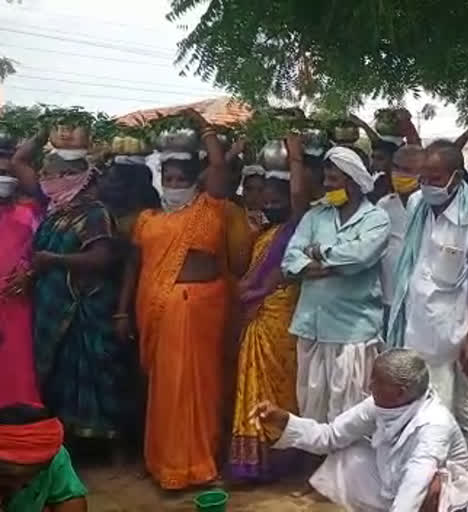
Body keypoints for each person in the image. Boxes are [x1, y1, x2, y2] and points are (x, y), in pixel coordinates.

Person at [117, 109, 233, 489]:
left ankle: (199, 466)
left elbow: (218, 168)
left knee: (200, 388)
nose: (175, 184)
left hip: (200, 313)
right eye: (169, 178)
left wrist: (205, 128)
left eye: (183, 179)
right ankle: (165, 465)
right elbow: (134, 268)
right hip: (159, 313)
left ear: (195, 183)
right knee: (166, 390)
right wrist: (122, 312)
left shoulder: (207, 209)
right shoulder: (148, 220)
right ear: (160, 179)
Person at [11, 129, 133, 446]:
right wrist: (46, 130)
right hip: (52, 302)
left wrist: (54, 260)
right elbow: (19, 160)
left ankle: (95, 445)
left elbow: (101, 259)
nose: (44, 179)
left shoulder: (94, 213)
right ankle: (63, 439)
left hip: (83, 306)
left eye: (50, 174)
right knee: (57, 377)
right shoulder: (55, 210)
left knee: (86, 375)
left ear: (70, 177)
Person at [254, 349, 468, 512]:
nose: (369, 386)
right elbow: (332, 436)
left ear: (400, 392)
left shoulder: (434, 425)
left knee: (433, 485)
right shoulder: (380, 403)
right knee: (349, 454)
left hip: (441, 501)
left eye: (377, 381)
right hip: (397, 484)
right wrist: (284, 420)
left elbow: (414, 488)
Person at [388, 141, 468, 470]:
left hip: (456, 336)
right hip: (415, 329)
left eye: (435, 178)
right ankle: (431, 481)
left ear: (456, 177)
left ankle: (466, 477)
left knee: (464, 412)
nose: (427, 185)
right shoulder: (418, 204)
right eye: (423, 178)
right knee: (422, 415)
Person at [282, 145, 390, 423]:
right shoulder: (315, 216)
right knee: (311, 409)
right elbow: (291, 260)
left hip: (352, 330)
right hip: (312, 326)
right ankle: (317, 465)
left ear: (353, 182)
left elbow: (361, 257)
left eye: (334, 181)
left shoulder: (376, 219)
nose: (328, 186)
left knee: (350, 413)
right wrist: (333, 265)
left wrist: (318, 254)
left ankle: (348, 468)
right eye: (326, 180)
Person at [228, 134, 313, 482]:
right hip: (257, 318)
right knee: (254, 384)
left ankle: (283, 457)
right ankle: (256, 461)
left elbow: (298, 198)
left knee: (280, 387)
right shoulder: (263, 231)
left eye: (279, 196)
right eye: (267, 195)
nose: (271, 200)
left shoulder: (298, 226)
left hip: (280, 319)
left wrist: (294, 158)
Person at [0, 142, 42, 407]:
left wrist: (29, 274)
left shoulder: (32, 214)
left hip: (17, 300)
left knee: (16, 364)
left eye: (7, 174)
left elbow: (42, 251)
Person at [0, 403, 87, 512]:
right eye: (7, 476)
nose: (18, 488)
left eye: (29, 478)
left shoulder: (52, 455)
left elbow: (70, 500)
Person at [376, 145, 425, 317]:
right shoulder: (384, 206)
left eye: (407, 170)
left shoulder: (431, 207)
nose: (398, 174)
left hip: (421, 302)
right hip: (388, 299)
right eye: (396, 167)